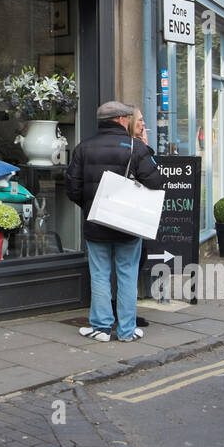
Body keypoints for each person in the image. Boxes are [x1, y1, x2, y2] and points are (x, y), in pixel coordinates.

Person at [65, 101, 166, 343]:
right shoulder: (135, 147)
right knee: (127, 274)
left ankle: (100, 328)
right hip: (128, 224)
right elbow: (156, 183)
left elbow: (72, 189)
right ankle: (126, 331)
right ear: (121, 119)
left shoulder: (83, 147)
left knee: (99, 274)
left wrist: (93, 207)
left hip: (95, 222)